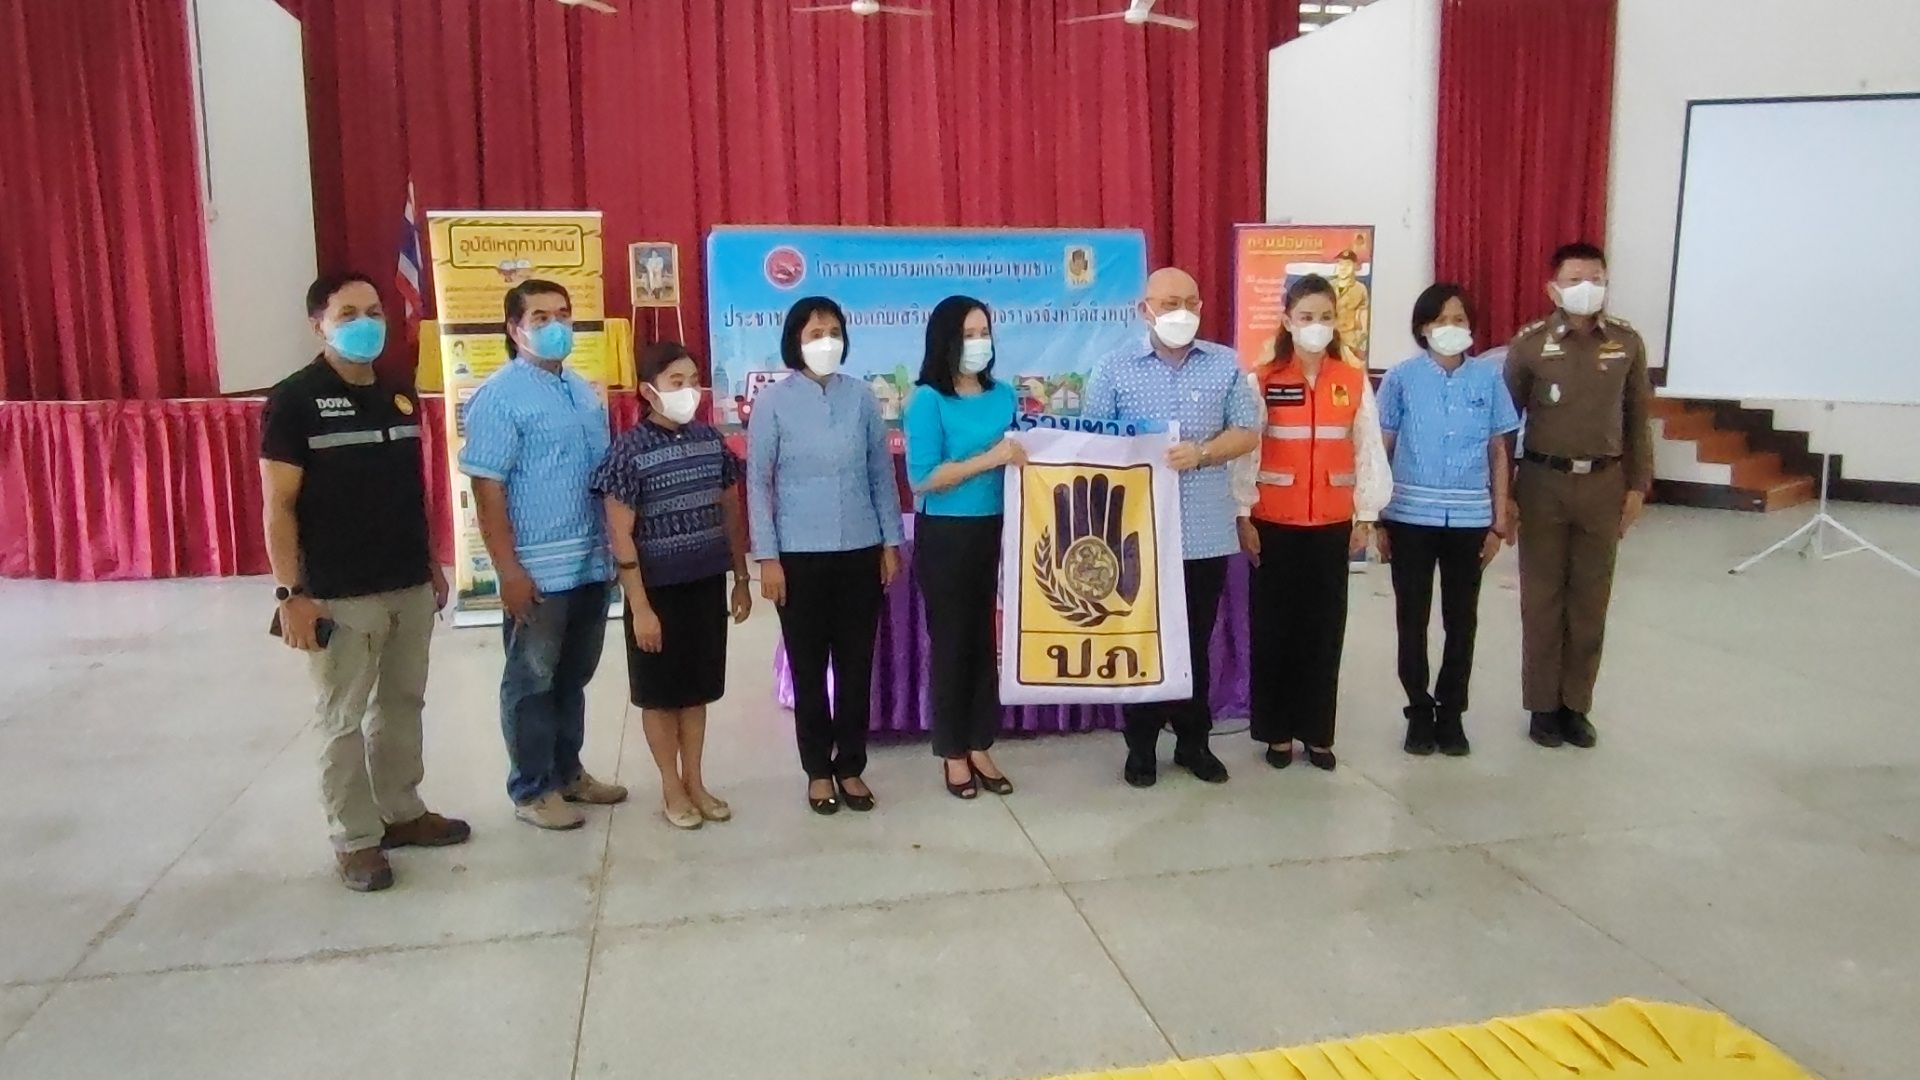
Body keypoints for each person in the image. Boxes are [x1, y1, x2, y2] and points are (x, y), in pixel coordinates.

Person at [260, 272, 469, 892]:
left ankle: (401, 811)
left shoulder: (397, 391)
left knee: (402, 703)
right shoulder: (294, 400)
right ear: (318, 325)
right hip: (338, 593)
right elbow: (278, 505)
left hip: (406, 580)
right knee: (342, 717)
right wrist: (291, 594)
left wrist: (430, 561)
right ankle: (355, 839)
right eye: (348, 313)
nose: (365, 323)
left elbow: (407, 488)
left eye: (374, 311)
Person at [459, 278, 628, 831]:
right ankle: (532, 789)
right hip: (536, 569)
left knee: (572, 676)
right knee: (531, 680)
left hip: (590, 561)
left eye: (562, 314)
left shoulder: (582, 390)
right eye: (540, 318)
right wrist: (508, 571)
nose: (556, 326)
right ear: (515, 329)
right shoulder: (499, 396)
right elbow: (487, 488)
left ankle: (567, 772)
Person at [1083, 267, 1262, 789]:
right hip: (1135, 533)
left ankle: (1193, 742)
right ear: (1145, 310)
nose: (1180, 312)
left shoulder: (1225, 364)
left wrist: (1202, 453)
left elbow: (1247, 431)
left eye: (1189, 302)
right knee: (1141, 640)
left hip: (1204, 532)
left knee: (1195, 641)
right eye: (1168, 303)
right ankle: (1140, 746)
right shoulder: (1113, 368)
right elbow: (1093, 442)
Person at [747, 296, 904, 815]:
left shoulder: (861, 397)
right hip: (798, 557)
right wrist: (767, 558)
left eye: (834, 332)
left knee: (857, 667)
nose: (826, 342)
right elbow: (758, 482)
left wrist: (890, 542)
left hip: (860, 550)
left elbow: (880, 474)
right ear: (795, 340)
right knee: (809, 670)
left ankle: (851, 766)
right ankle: (817, 770)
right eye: (816, 333)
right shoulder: (773, 402)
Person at [1231, 274, 1390, 771]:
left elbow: (1367, 449)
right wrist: (1242, 512)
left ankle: (1318, 733)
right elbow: (1246, 452)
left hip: (1331, 525)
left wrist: (1367, 513)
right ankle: (1277, 733)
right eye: (1306, 317)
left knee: (1323, 631)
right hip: (1273, 524)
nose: (1316, 325)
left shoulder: (1351, 380)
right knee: (1274, 630)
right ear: (1287, 321)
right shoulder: (1263, 379)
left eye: (1325, 317)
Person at [592, 343, 752, 830]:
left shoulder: (710, 441)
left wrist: (741, 577)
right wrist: (639, 606)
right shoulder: (628, 451)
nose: (689, 391)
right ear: (648, 391)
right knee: (660, 695)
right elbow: (620, 533)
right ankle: (670, 786)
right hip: (655, 592)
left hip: (705, 584)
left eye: (693, 381)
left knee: (696, 691)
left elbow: (731, 511)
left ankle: (696, 781)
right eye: (676, 382)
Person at [1505, 242, 1653, 750]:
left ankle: (1576, 706)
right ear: (1553, 289)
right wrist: (1504, 494)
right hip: (1542, 482)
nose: (1585, 287)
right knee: (1542, 600)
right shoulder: (1530, 345)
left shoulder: (1627, 344)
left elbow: (1638, 419)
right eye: (1574, 279)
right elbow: (1504, 425)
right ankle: (1542, 707)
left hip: (1604, 484)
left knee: (1590, 601)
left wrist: (1638, 485)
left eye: (1595, 278)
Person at [1374, 284, 1520, 757]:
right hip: (1409, 517)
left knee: (1462, 620)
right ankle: (1418, 709)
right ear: (1423, 328)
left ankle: (1452, 712)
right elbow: (1383, 447)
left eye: (1459, 319)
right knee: (1411, 618)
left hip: (1470, 519)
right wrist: (1376, 518)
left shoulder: (1488, 378)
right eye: (1441, 320)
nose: (1451, 328)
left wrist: (1498, 520)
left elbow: (1499, 451)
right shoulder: (1401, 378)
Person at [903, 296, 1025, 800]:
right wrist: (991, 458)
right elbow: (923, 478)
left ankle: (980, 742)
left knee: (983, 641)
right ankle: (952, 751)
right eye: (969, 334)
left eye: (984, 333)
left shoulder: (1005, 394)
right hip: (948, 535)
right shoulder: (927, 400)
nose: (979, 343)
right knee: (953, 642)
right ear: (947, 340)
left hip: (999, 528)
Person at [1332, 250, 1372, 366]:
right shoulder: (1328, 286)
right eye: (1340, 264)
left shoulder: (1360, 289)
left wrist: (1361, 338)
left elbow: (1364, 314)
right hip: (1330, 340)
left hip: (1350, 342)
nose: (1343, 268)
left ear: (1355, 266)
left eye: (1347, 264)